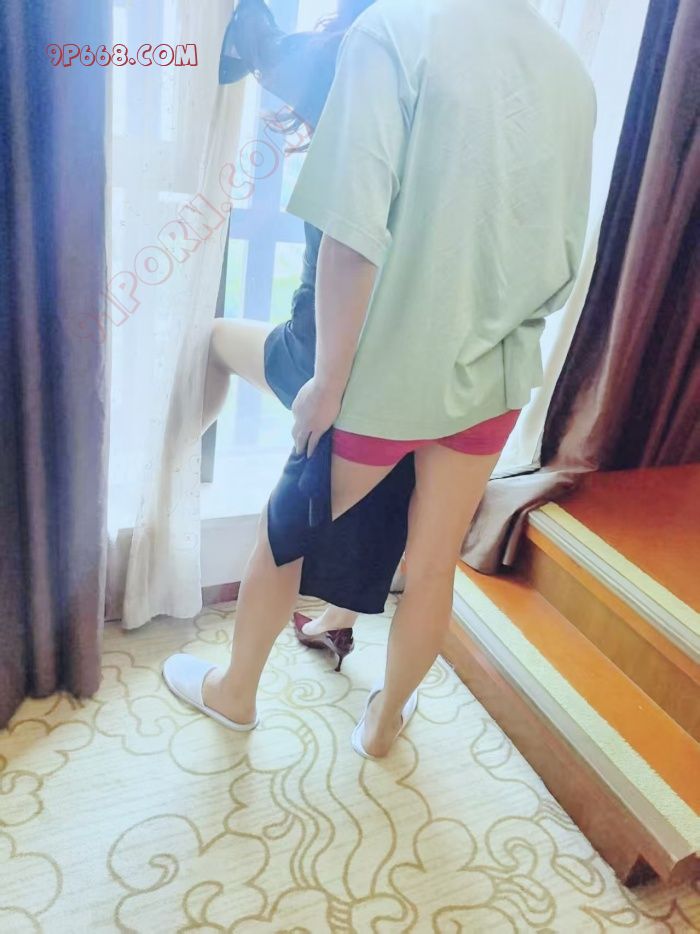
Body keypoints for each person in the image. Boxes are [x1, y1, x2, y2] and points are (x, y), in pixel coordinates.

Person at [164, 0, 596, 759]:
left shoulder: (395, 30)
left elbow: (351, 231)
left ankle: (235, 693)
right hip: (493, 371)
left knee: (284, 533)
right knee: (431, 567)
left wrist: (328, 380)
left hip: (385, 371)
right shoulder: (571, 72)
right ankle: (384, 721)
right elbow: (562, 255)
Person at [204, 0, 389, 671]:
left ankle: (170, 491)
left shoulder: (349, 53)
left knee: (213, 338)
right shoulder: (441, 81)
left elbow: (256, 37)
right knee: (385, 487)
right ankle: (338, 621)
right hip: (398, 357)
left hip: (322, 350)